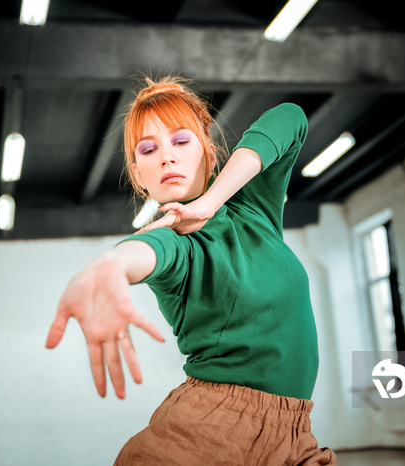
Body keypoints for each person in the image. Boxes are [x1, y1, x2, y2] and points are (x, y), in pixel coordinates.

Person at [46, 76, 337, 465]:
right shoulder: (176, 243)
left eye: (181, 141)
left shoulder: (254, 209)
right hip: (212, 427)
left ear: (212, 154)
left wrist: (211, 202)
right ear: (138, 175)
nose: (167, 156)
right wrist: (108, 265)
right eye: (148, 150)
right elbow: (146, 252)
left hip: (295, 432)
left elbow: (291, 117)